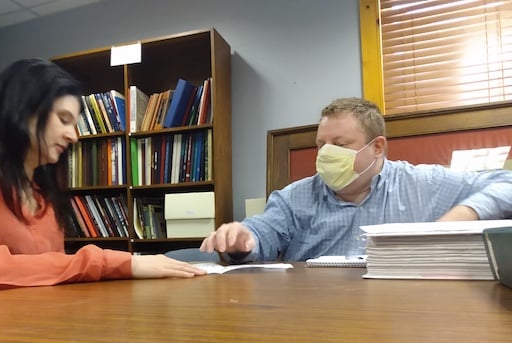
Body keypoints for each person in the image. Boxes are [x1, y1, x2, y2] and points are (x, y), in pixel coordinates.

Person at [0, 58, 205, 300]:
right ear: (23, 110)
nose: (74, 136)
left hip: (28, 322)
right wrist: (121, 263)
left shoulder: (42, 189)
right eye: (63, 119)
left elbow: (49, 270)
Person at [200, 97, 512, 262]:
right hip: (315, 317)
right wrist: (245, 238)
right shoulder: (294, 197)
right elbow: (263, 232)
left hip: (400, 317)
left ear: (377, 147)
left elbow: (506, 183)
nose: (325, 153)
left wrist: (464, 214)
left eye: (340, 143)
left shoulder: (423, 183)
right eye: (321, 144)